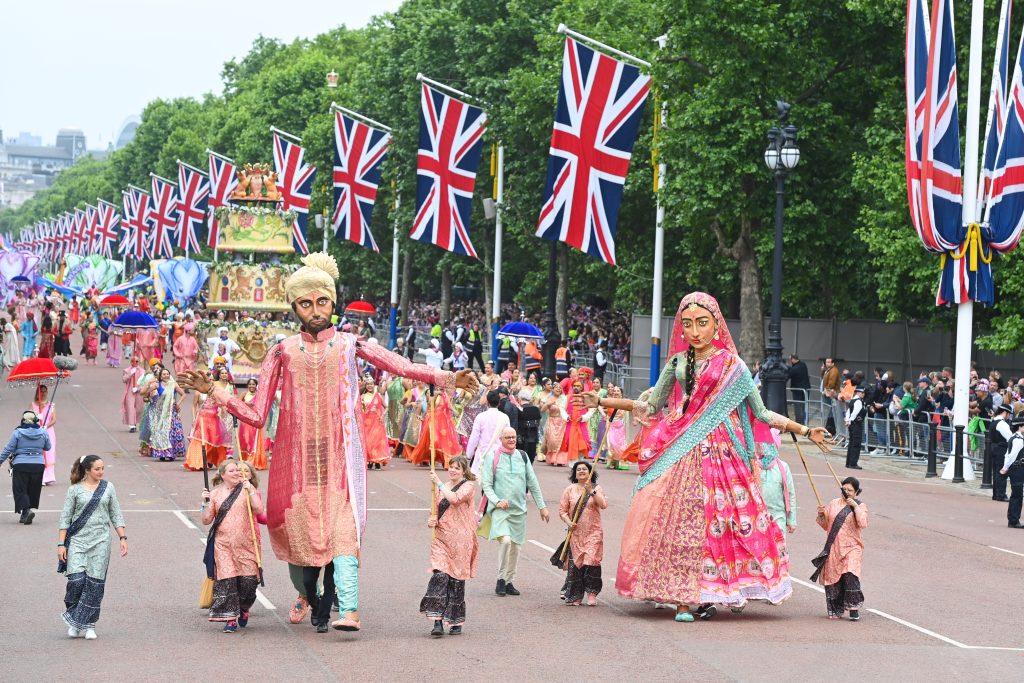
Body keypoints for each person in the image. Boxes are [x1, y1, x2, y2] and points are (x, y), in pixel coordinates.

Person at [180, 252, 478, 633]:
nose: (315, 310)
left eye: (322, 302)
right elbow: (256, 414)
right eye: (306, 303)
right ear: (295, 307)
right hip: (297, 468)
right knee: (299, 548)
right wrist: (217, 391)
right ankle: (306, 595)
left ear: (333, 304)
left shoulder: (351, 345)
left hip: (342, 464)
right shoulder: (282, 351)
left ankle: (350, 610)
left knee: (344, 534)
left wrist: (447, 377)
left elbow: (400, 365)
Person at [577, 292, 829, 622]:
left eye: (702, 323)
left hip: (722, 454)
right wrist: (604, 402)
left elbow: (762, 412)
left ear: (716, 325)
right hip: (679, 444)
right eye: (687, 325)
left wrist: (805, 429)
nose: (694, 332)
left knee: (719, 522)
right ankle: (679, 594)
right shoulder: (678, 363)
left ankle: (715, 590)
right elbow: (651, 407)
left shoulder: (733, 367)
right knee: (670, 516)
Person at [58, 455, 128, 639]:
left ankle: (89, 625)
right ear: (87, 470)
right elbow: (65, 517)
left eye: (103, 468)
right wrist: (61, 544)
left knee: (94, 584)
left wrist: (122, 537)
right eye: (97, 469)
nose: (101, 472)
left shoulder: (108, 487)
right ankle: (75, 617)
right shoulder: (74, 490)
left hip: (101, 542)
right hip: (78, 541)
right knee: (76, 581)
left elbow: (116, 513)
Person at [479, 427, 549, 597]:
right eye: (508, 437)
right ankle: (500, 579)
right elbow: (486, 485)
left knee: (516, 547)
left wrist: (542, 507)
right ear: (501, 439)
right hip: (500, 510)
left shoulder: (522, 456)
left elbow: (532, 483)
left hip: (519, 511)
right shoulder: (492, 457)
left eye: (513, 437)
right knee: (505, 541)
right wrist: (497, 501)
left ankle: (509, 581)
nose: (511, 440)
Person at [201, 460, 264, 633]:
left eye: (238, 470)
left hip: (247, 544)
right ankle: (230, 619)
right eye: (232, 470)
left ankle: (243, 608)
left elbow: (258, 510)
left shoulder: (246, 489)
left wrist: (250, 489)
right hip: (223, 546)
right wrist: (205, 502)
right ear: (223, 475)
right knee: (227, 581)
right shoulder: (215, 494)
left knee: (248, 582)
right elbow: (206, 520)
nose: (237, 472)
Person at [421, 456, 479, 636]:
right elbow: (436, 511)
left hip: (461, 541)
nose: (453, 470)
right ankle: (437, 621)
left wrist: (438, 482)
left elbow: (454, 499)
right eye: (451, 467)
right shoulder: (440, 488)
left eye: (457, 468)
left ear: (464, 470)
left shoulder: (468, 486)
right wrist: (432, 519)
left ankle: (455, 620)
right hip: (441, 539)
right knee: (440, 577)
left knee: (455, 581)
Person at [814, 477, 868, 620]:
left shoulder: (860, 506)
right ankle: (836, 607)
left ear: (856, 492)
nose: (847, 492)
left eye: (850, 490)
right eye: (844, 489)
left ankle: (853, 608)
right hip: (834, 546)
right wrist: (821, 514)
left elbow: (863, 523)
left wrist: (855, 508)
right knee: (833, 578)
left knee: (851, 573)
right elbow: (826, 526)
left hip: (852, 547)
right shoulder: (833, 503)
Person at [557, 460, 607, 606]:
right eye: (578, 469)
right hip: (576, 533)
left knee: (592, 561)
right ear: (575, 473)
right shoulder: (569, 490)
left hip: (594, 532)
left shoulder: (596, 488)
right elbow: (562, 511)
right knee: (577, 564)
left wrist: (592, 491)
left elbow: (603, 505)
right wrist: (568, 522)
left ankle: (592, 593)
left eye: (585, 469)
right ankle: (576, 596)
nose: (581, 471)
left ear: (590, 472)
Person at [0, 411, 51, 524]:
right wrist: (42, 434)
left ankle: (26, 510)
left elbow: (8, 449)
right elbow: (48, 447)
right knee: (32, 489)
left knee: (20, 489)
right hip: (38, 465)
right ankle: (25, 513)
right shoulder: (43, 432)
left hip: (21, 464)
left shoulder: (17, 433)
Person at [464, 390, 510, 476]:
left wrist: (469, 454)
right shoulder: (504, 417)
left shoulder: (480, 417)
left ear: (487, 402)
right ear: (499, 403)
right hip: (500, 455)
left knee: (485, 482)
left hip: (483, 454)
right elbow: (508, 437)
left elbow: (474, 437)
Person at [147, 368, 186, 462]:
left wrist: (178, 404)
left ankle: (171, 453)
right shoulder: (157, 385)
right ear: (160, 376)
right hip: (161, 413)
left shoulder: (173, 384)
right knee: (162, 432)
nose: (166, 376)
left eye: (167, 374)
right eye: (164, 374)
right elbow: (147, 392)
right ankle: (162, 453)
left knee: (172, 432)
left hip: (172, 412)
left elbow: (183, 394)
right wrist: (149, 386)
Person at [238, 379, 269, 470]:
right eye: (250, 384)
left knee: (253, 442)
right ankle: (245, 460)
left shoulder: (259, 395)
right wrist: (245, 404)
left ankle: (253, 461)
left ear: (256, 385)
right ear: (248, 385)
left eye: (253, 384)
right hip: (245, 421)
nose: (252, 386)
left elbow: (263, 407)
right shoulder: (244, 394)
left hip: (255, 421)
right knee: (245, 441)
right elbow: (238, 405)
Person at [360, 377, 390, 469]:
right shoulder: (362, 397)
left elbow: (387, 407)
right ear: (366, 386)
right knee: (368, 442)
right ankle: (370, 461)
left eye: (371, 384)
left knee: (376, 442)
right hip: (366, 423)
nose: (369, 386)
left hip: (377, 422)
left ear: (374, 385)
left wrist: (382, 416)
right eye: (368, 384)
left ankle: (377, 461)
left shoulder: (378, 396)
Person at [999, 416, 1024, 528]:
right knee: (1017, 495)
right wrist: (1005, 467)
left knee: (1016, 494)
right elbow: (1012, 455)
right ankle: (1014, 520)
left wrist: (1006, 467)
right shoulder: (1019, 440)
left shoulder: (1013, 437)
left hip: (1015, 468)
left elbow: (1007, 455)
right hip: (1018, 468)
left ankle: (1013, 519)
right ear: (1020, 427)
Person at [32, 384, 58, 485]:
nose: (43, 393)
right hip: (37, 432)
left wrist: (46, 426)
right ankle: (40, 477)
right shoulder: (33, 405)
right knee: (39, 453)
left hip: (48, 432)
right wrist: (36, 421)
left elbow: (54, 419)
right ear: (37, 393)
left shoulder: (51, 405)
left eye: (45, 391)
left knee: (49, 452)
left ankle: (49, 476)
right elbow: (28, 417)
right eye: (41, 391)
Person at [988, 404, 1013, 502]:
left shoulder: (994, 421)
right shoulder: (1002, 424)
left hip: (993, 447)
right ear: (1005, 413)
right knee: (1002, 472)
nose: (1008, 416)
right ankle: (1000, 495)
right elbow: (1010, 438)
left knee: (996, 472)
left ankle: (996, 494)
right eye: (1008, 414)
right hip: (1001, 449)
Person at [542, 382, 568, 465]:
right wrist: (548, 404)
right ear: (552, 389)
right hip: (551, 421)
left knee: (560, 442)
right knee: (552, 441)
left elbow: (564, 410)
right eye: (556, 387)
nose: (558, 389)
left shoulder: (563, 398)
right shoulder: (549, 398)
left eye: (560, 388)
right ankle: (551, 458)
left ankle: (560, 460)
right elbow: (542, 410)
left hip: (561, 423)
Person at [844, 385, 866, 470]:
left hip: (852, 424)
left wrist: (847, 420)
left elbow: (848, 412)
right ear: (858, 392)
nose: (863, 394)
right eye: (862, 393)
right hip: (856, 424)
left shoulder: (852, 400)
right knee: (856, 444)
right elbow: (854, 413)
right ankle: (853, 463)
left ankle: (848, 463)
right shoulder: (858, 401)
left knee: (851, 443)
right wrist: (850, 421)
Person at [122, 357, 145, 433]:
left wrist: (138, 388)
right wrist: (130, 374)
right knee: (130, 407)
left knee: (139, 408)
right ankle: (132, 425)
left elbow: (145, 383)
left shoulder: (142, 371)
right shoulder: (127, 370)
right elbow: (124, 379)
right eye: (133, 361)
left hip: (139, 391)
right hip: (130, 391)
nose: (134, 363)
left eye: (136, 361)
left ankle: (136, 422)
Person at [787, 354, 811, 426]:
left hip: (797, 390)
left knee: (797, 406)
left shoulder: (794, 368)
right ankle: (804, 422)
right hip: (806, 389)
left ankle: (798, 422)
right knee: (804, 406)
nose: (789, 361)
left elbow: (787, 376)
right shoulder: (803, 365)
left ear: (793, 359)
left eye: (790, 360)